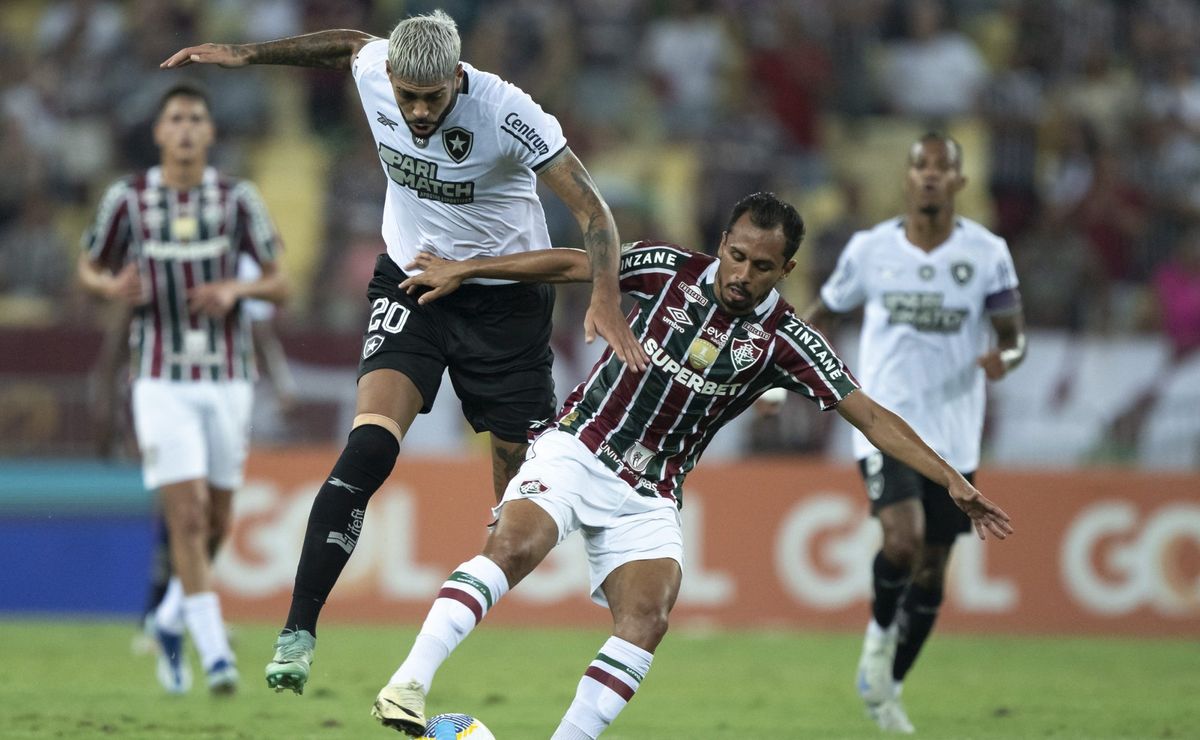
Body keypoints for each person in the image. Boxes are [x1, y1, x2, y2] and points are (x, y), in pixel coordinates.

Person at [369, 192, 1013, 737]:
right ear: (723, 243)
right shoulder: (667, 269)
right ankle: (406, 684)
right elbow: (575, 262)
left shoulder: (787, 340)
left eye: (762, 266)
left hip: (652, 491)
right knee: (514, 547)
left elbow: (869, 415)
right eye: (736, 256)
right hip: (581, 446)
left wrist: (953, 480)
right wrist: (467, 269)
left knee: (649, 616)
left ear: (785, 269)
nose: (742, 274)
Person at [160, 9, 647, 695]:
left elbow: (594, 212)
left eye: (433, 97)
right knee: (368, 449)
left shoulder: (510, 113)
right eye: (406, 96)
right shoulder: (373, 69)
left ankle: (593, 587)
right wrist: (244, 55)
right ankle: (298, 633)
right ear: (390, 76)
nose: (417, 112)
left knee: (519, 508)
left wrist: (603, 297)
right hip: (414, 281)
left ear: (456, 76)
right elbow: (348, 44)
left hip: (505, 303)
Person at [804, 133, 1027, 733]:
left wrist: (1007, 357)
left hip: (955, 435)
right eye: (920, 166)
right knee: (902, 540)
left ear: (958, 181)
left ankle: (888, 687)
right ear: (907, 178)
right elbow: (824, 314)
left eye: (942, 168)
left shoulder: (986, 253)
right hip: (885, 424)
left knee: (931, 571)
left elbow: (1014, 333)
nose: (930, 175)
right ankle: (878, 638)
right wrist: (777, 374)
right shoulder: (870, 249)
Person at [78, 82, 290, 695]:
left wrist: (237, 291)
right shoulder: (128, 200)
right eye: (177, 118)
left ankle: (170, 619)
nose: (188, 128)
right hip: (158, 377)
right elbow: (89, 264)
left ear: (212, 133)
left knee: (219, 519)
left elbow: (279, 284)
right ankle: (216, 653)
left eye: (198, 117)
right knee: (188, 514)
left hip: (228, 376)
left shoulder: (237, 201)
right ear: (159, 133)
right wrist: (106, 287)